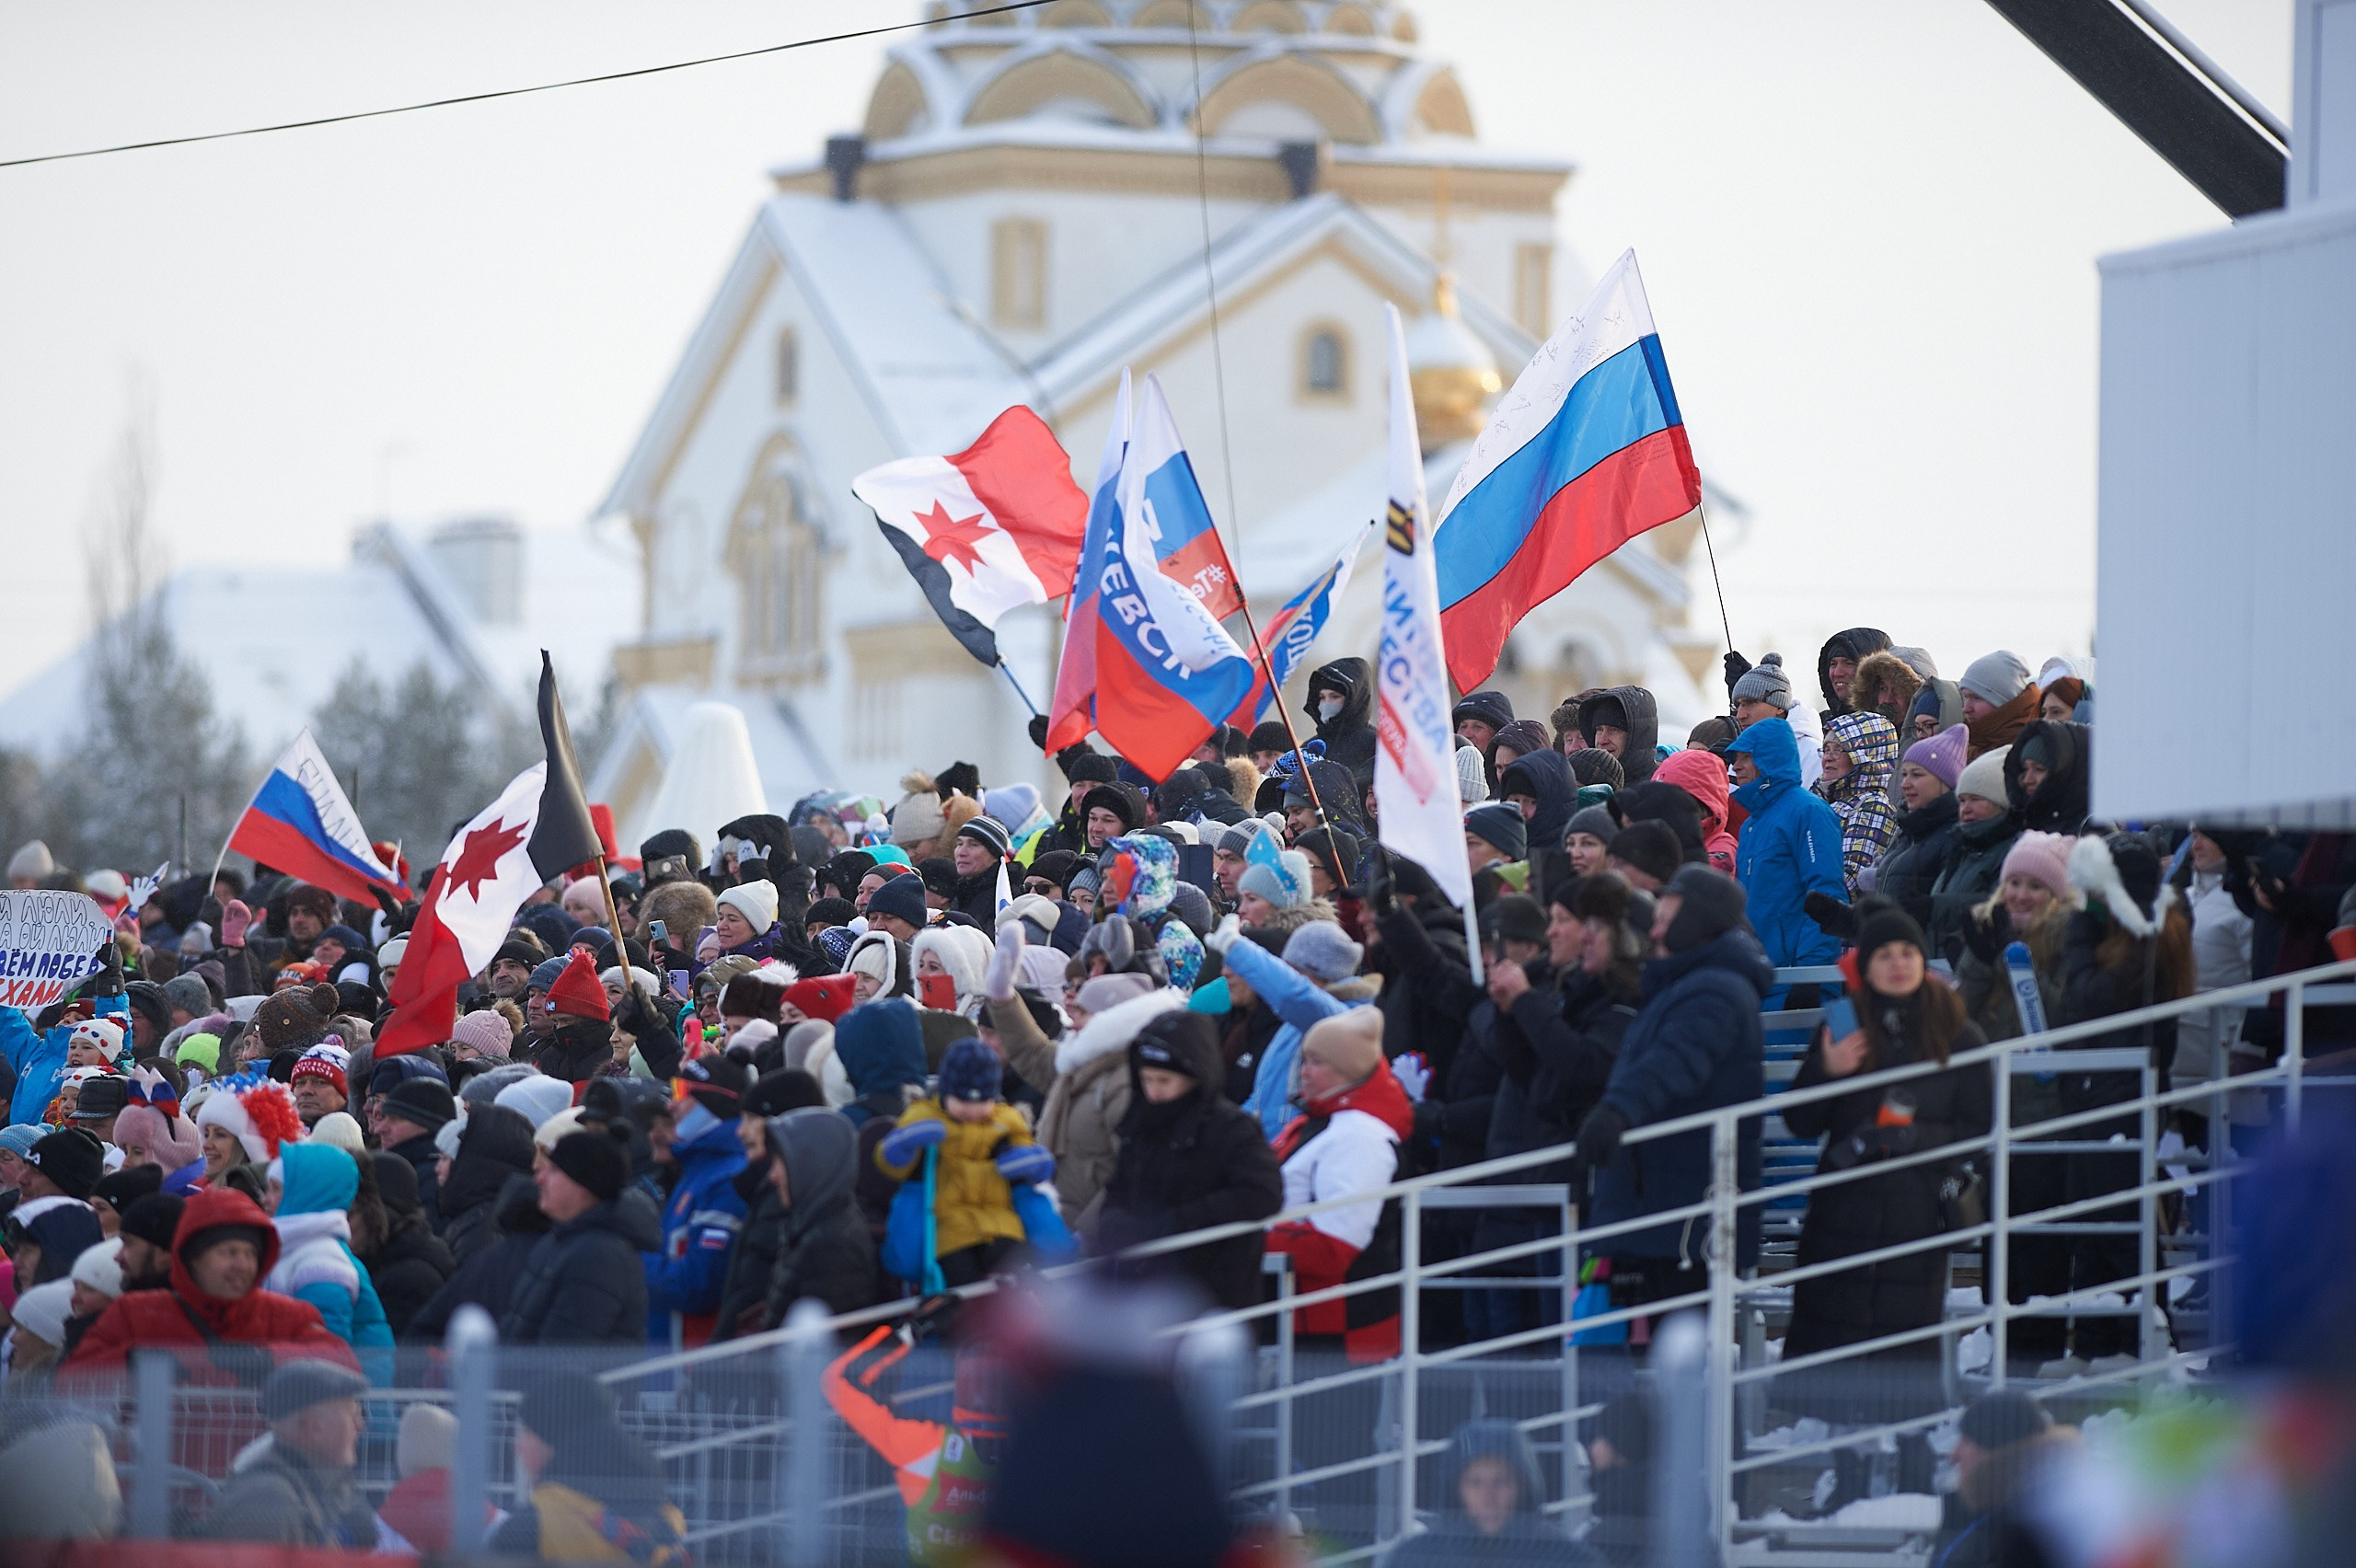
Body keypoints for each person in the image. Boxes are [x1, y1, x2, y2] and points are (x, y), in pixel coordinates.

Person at [1779, 902, 1992, 1509]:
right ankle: (1847, 1471)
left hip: (1914, 1213)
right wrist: (1827, 1071)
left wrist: (1912, 1139)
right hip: (1841, 1213)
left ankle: (1915, 1465)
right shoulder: (1843, 1022)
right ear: (1865, 964)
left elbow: (1979, 1126)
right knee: (1839, 1343)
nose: (1898, 964)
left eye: (1907, 953)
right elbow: (1800, 1120)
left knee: (1907, 1343)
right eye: (1884, 954)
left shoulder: (1957, 1030)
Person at [1574, 866, 1772, 1320]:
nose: (1655, 929)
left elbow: (1672, 1063)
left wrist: (1617, 1111)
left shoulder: (1716, 991)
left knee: (1676, 1350)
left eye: (1667, 918)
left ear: (1697, 920)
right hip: (1660, 1210)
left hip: (1683, 1221)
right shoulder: (1683, 986)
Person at [64, 1188, 359, 1384]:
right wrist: (134, 1362)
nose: (242, 1264)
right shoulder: (134, 1314)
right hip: (157, 1457)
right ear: (193, 1258)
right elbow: (69, 1379)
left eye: (251, 1254)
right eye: (229, 1252)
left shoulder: (288, 1317)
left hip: (253, 1458)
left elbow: (344, 1365)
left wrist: (268, 1359)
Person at [1094, 1009, 1283, 1312]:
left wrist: (1175, 1223)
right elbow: (1120, 1185)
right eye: (1146, 1080)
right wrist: (1113, 1223)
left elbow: (1263, 1193)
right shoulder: (1141, 1121)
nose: (1154, 1091)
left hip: (1212, 1290)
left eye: (1165, 1080)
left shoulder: (1232, 1128)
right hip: (1145, 1288)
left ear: (1195, 1077)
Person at [987, 923, 1172, 1226]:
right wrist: (1003, 998)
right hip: (1053, 1223)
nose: (1072, 1021)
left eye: (1084, 1012)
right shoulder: (1082, 1060)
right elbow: (1035, 1055)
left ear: (1110, 1020)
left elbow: (1131, 1176)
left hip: (1087, 1239)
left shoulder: (1127, 1080)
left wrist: (1084, 1237)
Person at [1266, 1009, 1414, 1362]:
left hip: (1339, 1331)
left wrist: (1239, 1240)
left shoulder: (1361, 1137)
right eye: (1304, 1060)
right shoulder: (1324, 1123)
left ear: (1348, 1070)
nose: (1303, 1072)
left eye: (1316, 1062)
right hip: (1307, 1317)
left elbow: (1334, 1247)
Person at [876, 1037, 1053, 1287]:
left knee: (1017, 1272)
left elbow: (1029, 1156)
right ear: (945, 1093)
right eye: (963, 1101)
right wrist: (904, 1145)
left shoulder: (1007, 1121)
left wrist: (1035, 1164)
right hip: (949, 1227)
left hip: (1002, 1222)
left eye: (982, 1102)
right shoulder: (923, 1116)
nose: (972, 1110)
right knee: (962, 1279)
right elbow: (890, 1164)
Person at [487, 1370, 688, 1563]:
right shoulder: (664, 1522)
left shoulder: (530, 1530)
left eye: (527, 1431)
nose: (517, 1445)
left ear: (554, 1439)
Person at [1210, 916, 1369, 1142]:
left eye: (1292, 971)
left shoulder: (1342, 1019)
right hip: (1272, 1148)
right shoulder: (1292, 1026)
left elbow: (1295, 995)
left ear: (1314, 974)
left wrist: (1236, 948)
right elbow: (1262, 1096)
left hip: (1301, 1147)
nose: (1287, 977)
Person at [500, 1130, 658, 1346]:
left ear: (584, 1186)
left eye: (554, 1171)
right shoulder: (559, 1240)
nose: (539, 1178)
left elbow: (565, 1355)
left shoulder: (599, 1257)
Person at [264, 1143, 396, 1385]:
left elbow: (325, 1354)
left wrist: (262, 1357)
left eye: (275, 1189)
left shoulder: (322, 1262)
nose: (265, 1199)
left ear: (304, 1193)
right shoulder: (296, 1248)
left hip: (347, 1399)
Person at [1384, 1420, 1599, 1565]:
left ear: (1523, 1486)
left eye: (1501, 1482)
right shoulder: (1415, 1559)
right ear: (1455, 1489)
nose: (1488, 1497)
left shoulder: (1568, 1559)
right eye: (1475, 1483)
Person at [1723, 717, 1846, 969]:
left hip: (1796, 975)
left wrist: (1813, 974)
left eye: (1746, 757)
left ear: (1769, 758)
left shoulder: (1809, 811)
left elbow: (1825, 894)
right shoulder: (1751, 825)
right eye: (1735, 758)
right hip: (1759, 973)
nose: (1736, 766)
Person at [759, 1107, 879, 1326]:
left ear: (812, 1163)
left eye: (781, 1162)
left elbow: (829, 1342)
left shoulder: (833, 1247)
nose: (772, 1175)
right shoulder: (814, 1225)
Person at [1929, 1391, 2073, 1568]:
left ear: (1998, 1451)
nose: (1954, 1455)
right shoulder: (1972, 1512)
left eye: (1967, 1441)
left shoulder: (2033, 1533)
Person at [1926, 748, 2020, 963]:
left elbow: (1999, 907)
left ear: (2000, 802)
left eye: (1976, 799)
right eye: (1962, 801)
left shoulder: (2011, 850)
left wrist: (1933, 908)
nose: (1965, 809)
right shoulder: (1962, 848)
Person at [1875, 724, 1969, 912]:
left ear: (1945, 781)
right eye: (1904, 775)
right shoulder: (1906, 831)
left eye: (1917, 775)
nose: (1905, 784)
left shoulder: (1954, 837)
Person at [360, 1151, 455, 1338]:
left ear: (376, 1214)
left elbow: (402, 1350)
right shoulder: (397, 1255)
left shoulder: (409, 1278)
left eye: (353, 1212)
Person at [1818, 711, 1901, 895]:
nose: (1827, 758)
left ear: (1865, 758)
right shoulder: (1822, 799)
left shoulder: (1873, 807)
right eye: (1826, 750)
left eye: (1838, 750)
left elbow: (1849, 882)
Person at [1306, 657, 1380, 785]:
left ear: (1354, 698)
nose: (1326, 703)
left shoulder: (1374, 743)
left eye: (1335, 696)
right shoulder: (1310, 746)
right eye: (1322, 697)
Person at [1958, 651, 2038, 760]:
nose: (1966, 708)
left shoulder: (2032, 752)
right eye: (1966, 697)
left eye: (1977, 698)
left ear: (2007, 702)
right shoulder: (1967, 743)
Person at [1575, 686, 1660, 786]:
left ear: (1637, 736)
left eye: (1614, 730)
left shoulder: (1660, 789)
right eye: (1599, 729)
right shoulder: (1583, 783)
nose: (1602, 740)